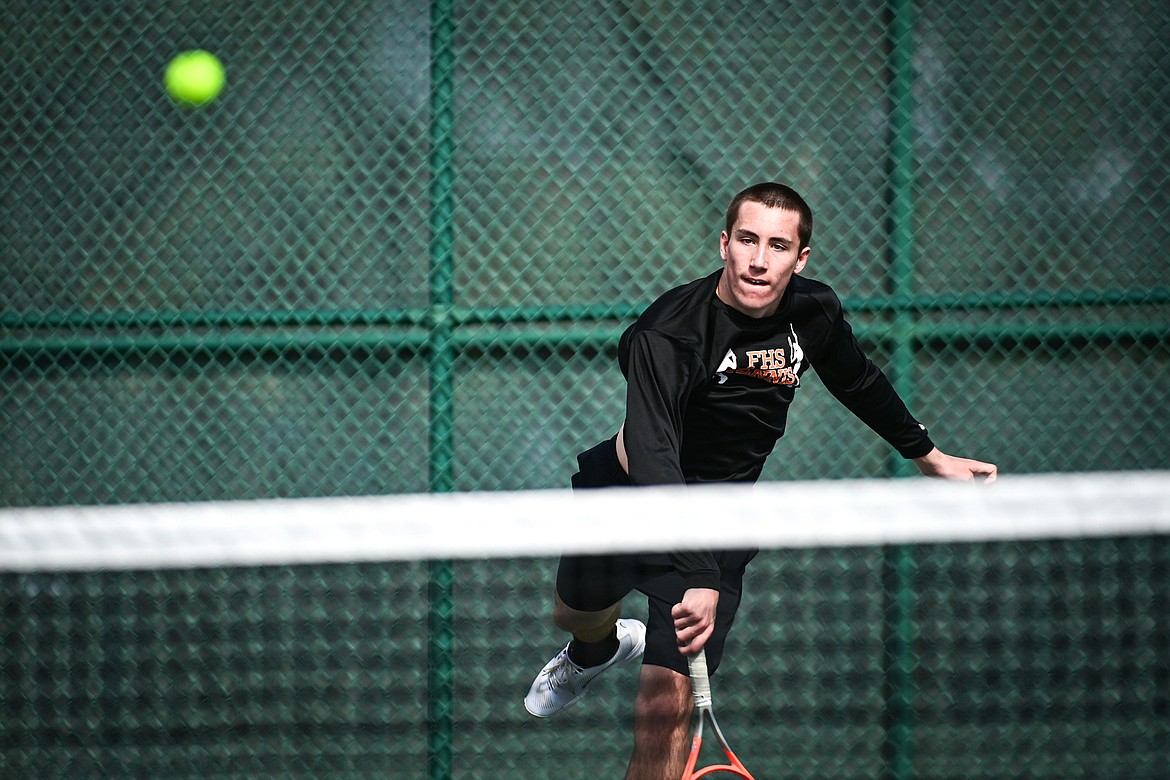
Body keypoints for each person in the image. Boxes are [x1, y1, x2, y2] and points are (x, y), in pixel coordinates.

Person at [523, 182, 997, 779]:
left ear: (800, 259)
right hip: (625, 496)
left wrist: (928, 454)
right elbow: (654, 457)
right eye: (747, 240)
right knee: (575, 615)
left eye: (778, 245)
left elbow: (855, 379)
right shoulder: (667, 334)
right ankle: (597, 648)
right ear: (724, 245)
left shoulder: (812, 310)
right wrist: (697, 572)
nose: (758, 259)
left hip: (718, 518)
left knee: (662, 709)